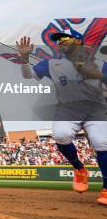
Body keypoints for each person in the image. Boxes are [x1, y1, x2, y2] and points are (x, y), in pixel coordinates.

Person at [17, 30, 107, 206]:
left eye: (65, 38)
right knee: (60, 135)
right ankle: (79, 169)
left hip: (95, 109)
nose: (60, 42)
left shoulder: (98, 63)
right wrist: (24, 58)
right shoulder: (51, 64)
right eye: (58, 40)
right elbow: (28, 75)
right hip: (69, 109)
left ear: (78, 42)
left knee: (101, 141)